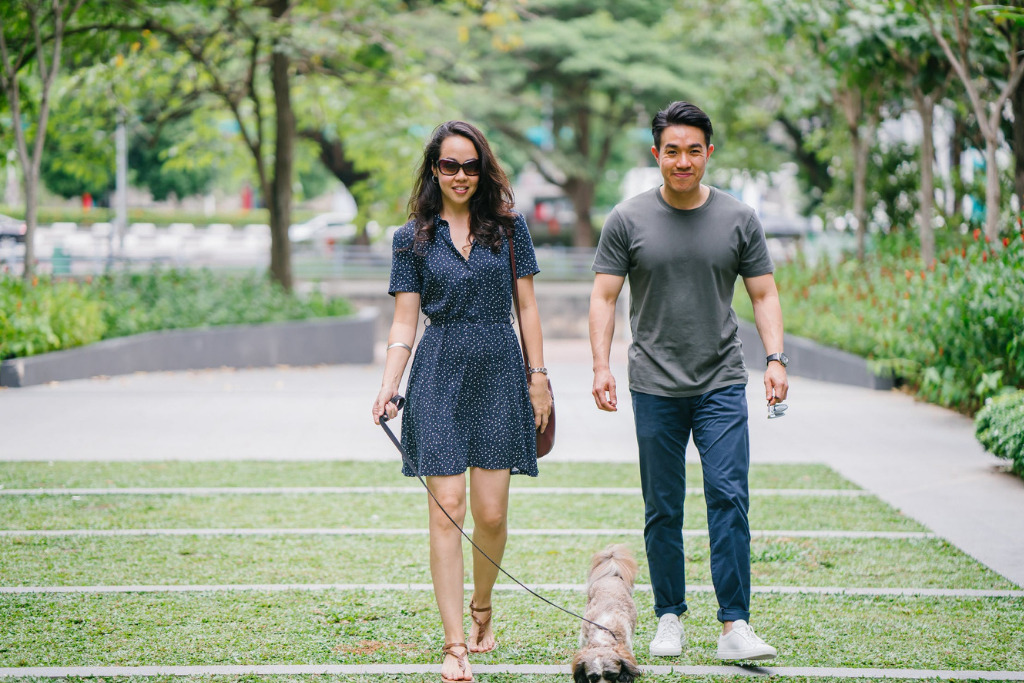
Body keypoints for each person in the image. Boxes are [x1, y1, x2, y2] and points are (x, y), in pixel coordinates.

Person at [588, 101, 787, 662]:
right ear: (657, 153)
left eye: (693, 150)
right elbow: (603, 297)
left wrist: (776, 359)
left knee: (729, 497)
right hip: (653, 383)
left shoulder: (739, 218)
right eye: (671, 150)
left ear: (708, 154)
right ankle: (669, 617)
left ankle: (734, 626)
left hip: (721, 379)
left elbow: (764, 292)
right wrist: (601, 366)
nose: (682, 161)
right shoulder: (627, 219)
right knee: (663, 506)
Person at [372, 120, 552, 683]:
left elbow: (528, 307)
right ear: (434, 169)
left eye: (471, 166)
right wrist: (388, 382)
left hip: (501, 370)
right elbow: (405, 320)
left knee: (492, 514)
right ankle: (454, 645)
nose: (460, 175)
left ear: (483, 170)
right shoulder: (411, 238)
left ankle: (483, 607)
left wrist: (538, 376)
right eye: (450, 165)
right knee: (448, 510)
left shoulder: (509, 228)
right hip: (439, 374)